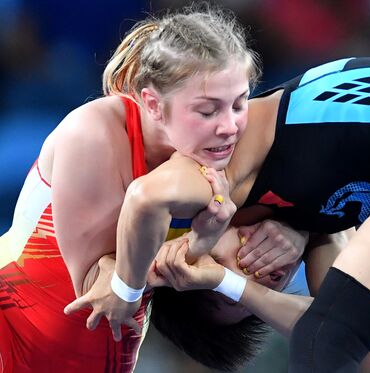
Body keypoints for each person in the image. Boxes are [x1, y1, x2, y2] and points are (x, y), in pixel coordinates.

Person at [78, 54, 370, 372]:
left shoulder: (214, 173)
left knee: (325, 343)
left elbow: (143, 198)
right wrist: (230, 280)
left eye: (223, 266)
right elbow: (355, 344)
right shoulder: (319, 234)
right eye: (254, 290)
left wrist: (127, 282)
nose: (256, 270)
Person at [0, 7, 276, 372]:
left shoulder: (218, 145)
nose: (229, 126)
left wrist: (290, 233)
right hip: (14, 331)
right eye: (208, 111)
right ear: (152, 104)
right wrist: (198, 245)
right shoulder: (95, 134)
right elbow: (100, 289)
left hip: (105, 353)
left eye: (239, 104)